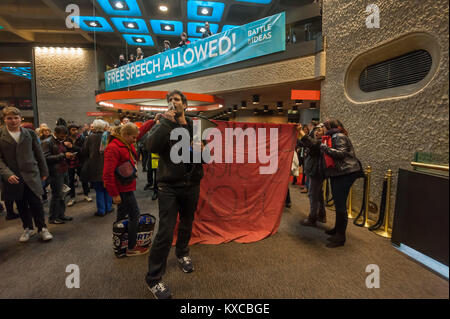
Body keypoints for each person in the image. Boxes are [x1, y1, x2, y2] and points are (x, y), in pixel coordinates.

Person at [144, 90, 208, 299]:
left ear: (185, 104)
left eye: (177, 100)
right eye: (170, 100)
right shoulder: (163, 124)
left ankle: (182, 254)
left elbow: (204, 157)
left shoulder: (195, 126)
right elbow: (150, 147)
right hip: (168, 187)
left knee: (187, 222)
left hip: (191, 184)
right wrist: (165, 123)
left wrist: (200, 149)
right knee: (165, 230)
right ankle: (153, 278)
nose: (173, 103)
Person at [0, 107, 53, 242]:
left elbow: (39, 154)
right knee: (21, 203)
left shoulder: (30, 133)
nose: (13, 121)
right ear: (4, 119)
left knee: (36, 202)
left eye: (16, 117)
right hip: (13, 176)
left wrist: (44, 171)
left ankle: (42, 228)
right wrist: (7, 174)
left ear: (20, 118)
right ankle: (28, 228)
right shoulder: (1, 134)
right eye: (9, 118)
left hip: (31, 173)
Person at [103, 123, 146, 254]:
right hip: (123, 189)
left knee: (121, 216)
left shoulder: (124, 143)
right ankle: (131, 247)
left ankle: (120, 244)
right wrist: (114, 194)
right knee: (134, 215)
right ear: (126, 135)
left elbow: (141, 131)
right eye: (133, 137)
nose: (135, 140)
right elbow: (107, 174)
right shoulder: (113, 147)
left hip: (126, 186)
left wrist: (152, 121)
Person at [321, 119, 362, 248]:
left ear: (330, 127)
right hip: (339, 173)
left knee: (340, 205)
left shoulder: (338, 136)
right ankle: (337, 230)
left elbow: (342, 154)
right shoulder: (333, 136)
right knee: (339, 203)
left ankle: (340, 237)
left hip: (345, 173)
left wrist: (325, 148)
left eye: (324, 126)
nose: (322, 129)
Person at [42, 125, 76, 224]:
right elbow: (45, 158)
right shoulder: (47, 142)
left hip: (64, 170)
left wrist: (68, 156)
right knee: (57, 195)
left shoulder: (60, 141)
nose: (63, 138)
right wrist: (64, 155)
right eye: (61, 136)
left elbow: (61, 154)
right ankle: (53, 217)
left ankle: (61, 214)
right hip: (55, 172)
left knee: (63, 194)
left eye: (65, 136)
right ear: (55, 133)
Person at [81, 119, 112, 217]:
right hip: (108, 165)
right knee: (107, 188)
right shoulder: (108, 137)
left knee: (99, 189)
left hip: (95, 167)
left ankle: (101, 210)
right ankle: (109, 207)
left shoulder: (90, 138)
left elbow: (84, 152)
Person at [298, 123, 326, 227]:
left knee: (313, 195)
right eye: (316, 130)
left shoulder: (320, 142)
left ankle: (312, 218)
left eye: (320, 130)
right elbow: (302, 143)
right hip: (314, 171)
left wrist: (300, 131)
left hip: (316, 172)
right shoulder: (315, 142)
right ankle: (321, 215)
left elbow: (312, 144)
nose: (317, 132)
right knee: (318, 194)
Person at [65, 124, 92, 207]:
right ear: (69, 130)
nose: (75, 131)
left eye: (76, 130)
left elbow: (83, 150)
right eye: (73, 130)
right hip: (69, 163)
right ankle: (72, 197)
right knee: (71, 181)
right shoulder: (66, 139)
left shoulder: (81, 138)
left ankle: (86, 195)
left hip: (80, 162)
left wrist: (72, 146)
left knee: (83, 179)